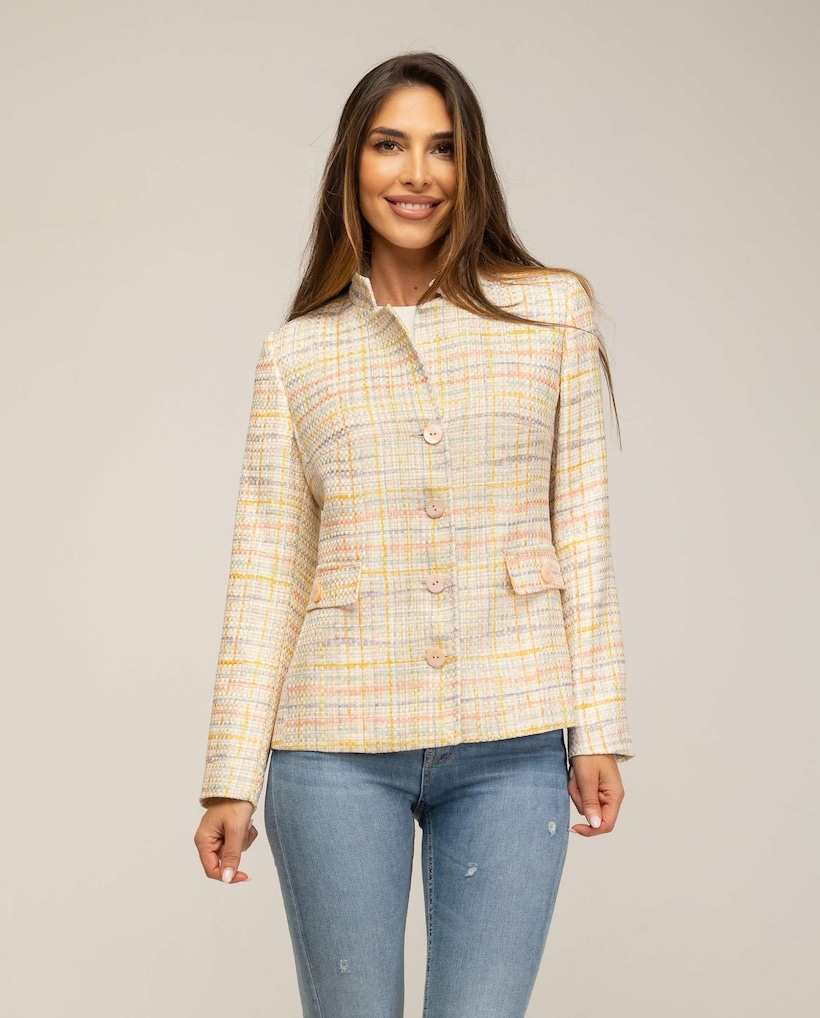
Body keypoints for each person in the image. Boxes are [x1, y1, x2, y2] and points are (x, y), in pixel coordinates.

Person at [194, 50, 635, 1018]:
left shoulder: (549, 312)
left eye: (443, 149)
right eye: (389, 145)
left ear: (470, 169)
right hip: (334, 745)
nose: (417, 174)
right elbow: (268, 571)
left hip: (514, 733)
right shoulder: (298, 353)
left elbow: (584, 530)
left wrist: (598, 726)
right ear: (352, 165)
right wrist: (229, 776)